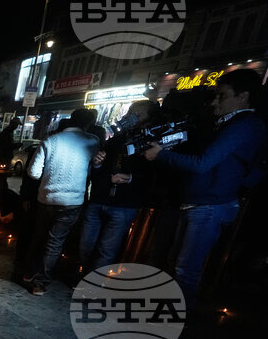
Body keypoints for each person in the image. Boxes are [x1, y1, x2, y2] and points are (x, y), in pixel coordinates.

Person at [144, 68, 267, 308]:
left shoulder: (244, 125)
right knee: (177, 262)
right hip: (200, 202)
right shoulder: (228, 124)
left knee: (186, 267)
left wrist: (161, 155)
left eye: (222, 96)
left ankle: (179, 317)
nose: (214, 102)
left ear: (243, 96)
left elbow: (202, 164)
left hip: (210, 205)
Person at [23, 111, 100, 295]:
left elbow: (33, 173)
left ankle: (29, 271)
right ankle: (41, 284)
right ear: (88, 124)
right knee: (55, 242)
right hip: (72, 201)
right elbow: (95, 168)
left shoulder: (51, 141)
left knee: (39, 235)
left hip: (47, 198)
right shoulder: (92, 141)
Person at [79, 100, 157, 272]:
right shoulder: (116, 138)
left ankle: (93, 284)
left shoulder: (153, 143)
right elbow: (98, 169)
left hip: (124, 204)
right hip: (99, 199)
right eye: (130, 112)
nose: (130, 117)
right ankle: (85, 273)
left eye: (137, 115)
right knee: (86, 244)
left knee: (107, 249)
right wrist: (98, 164)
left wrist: (130, 179)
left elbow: (153, 176)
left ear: (149, 119)